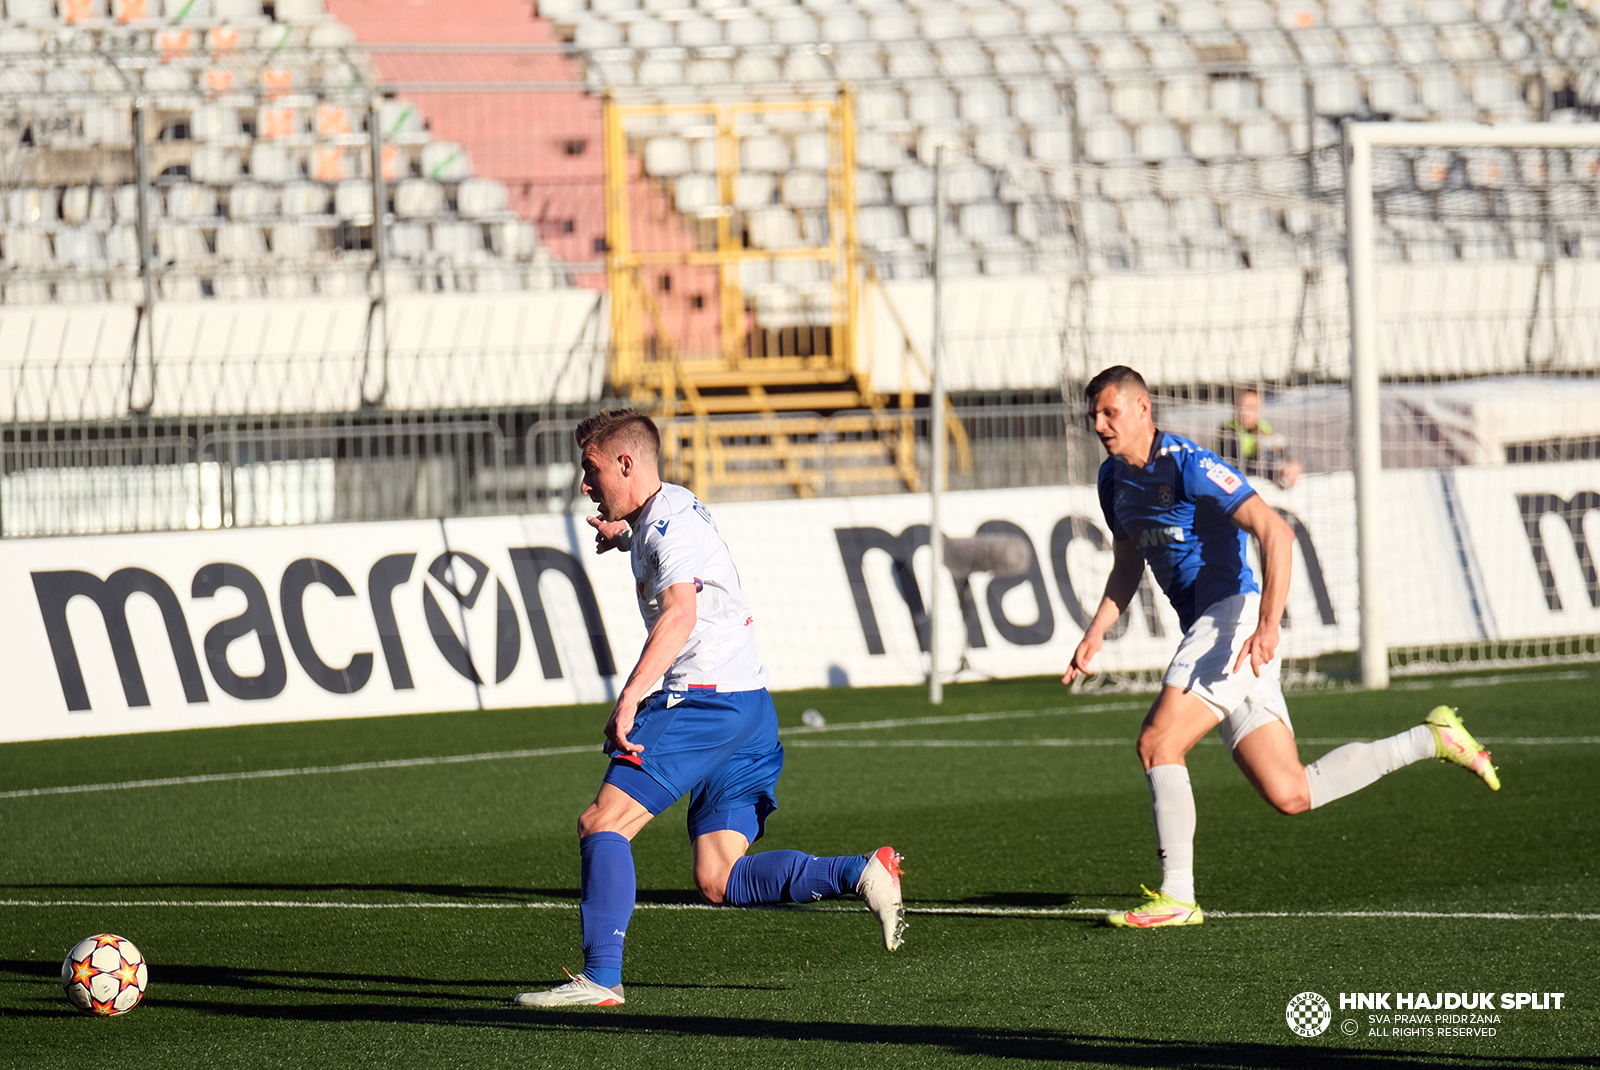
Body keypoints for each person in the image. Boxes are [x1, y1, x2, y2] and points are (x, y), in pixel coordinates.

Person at [1064, 366, 1498, 929]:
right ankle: (1432, 738)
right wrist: (1097, 630)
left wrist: (1267, 624)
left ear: (1143, 409)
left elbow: (1277, 533)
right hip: (1216, 630)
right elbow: (1128, 565)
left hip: (1234, 620)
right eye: (1092, 415)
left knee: (1157, 743)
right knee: (1292, 791)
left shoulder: (1189, 464)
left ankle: (1178, 896)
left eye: (1108, 412)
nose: (1098, 424)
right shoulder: (1112, 481)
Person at [517, 409, 905, 1008]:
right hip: (749, 707)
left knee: (602, 823)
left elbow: (680, 613)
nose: (584, 483)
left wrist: (630, 697)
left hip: (703, 702)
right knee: (719, 877)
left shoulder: (667, 525)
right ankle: (860, 872)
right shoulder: (668, 507)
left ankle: (601, 978)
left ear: (627, 463)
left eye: (591, 469)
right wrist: (625, 535)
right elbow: (677, 553)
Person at [1217, 387, 1302, 489]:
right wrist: (1273, 471)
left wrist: (1290, 463)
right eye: (1244, 407)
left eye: (1253, 407)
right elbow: (1239, 467)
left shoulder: (1263, 427)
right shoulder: (1228, 429)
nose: (1247, 412)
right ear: (1235, 407)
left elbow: (1278, 448)